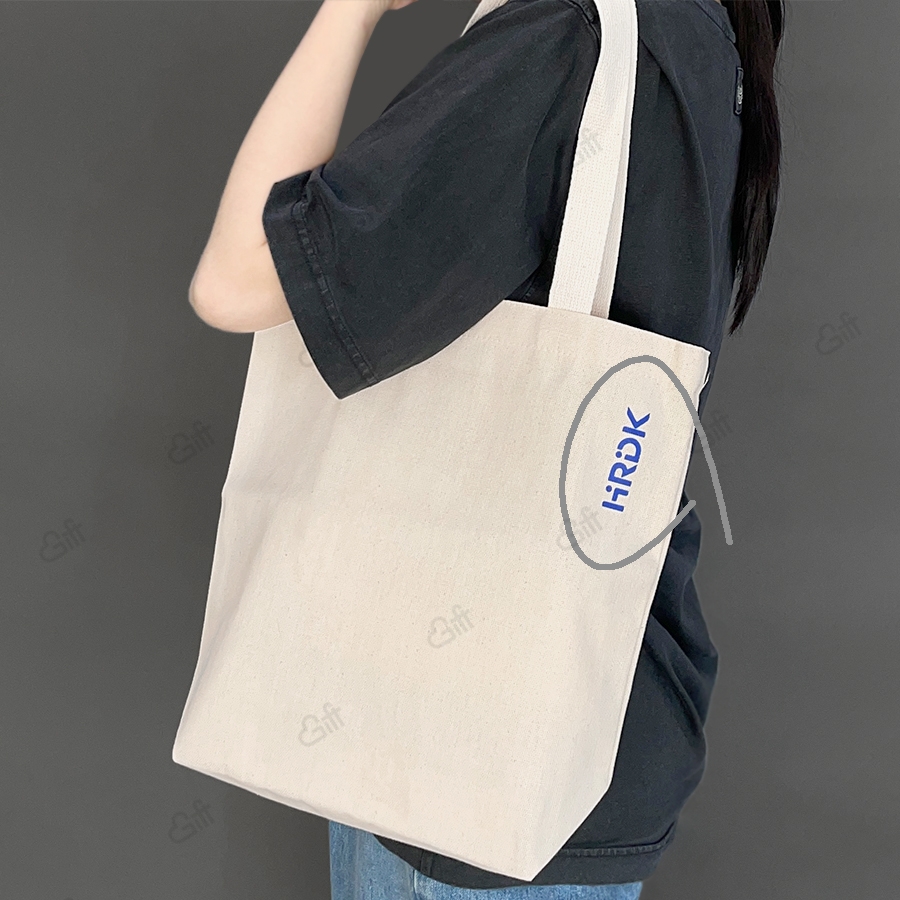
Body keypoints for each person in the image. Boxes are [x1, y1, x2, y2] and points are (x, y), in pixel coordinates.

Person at [188, 0, 786, 897]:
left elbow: (236, 282)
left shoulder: (562, 40)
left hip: (461, 761)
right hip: (603, 718)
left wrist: (351, 12)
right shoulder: (704, 28)